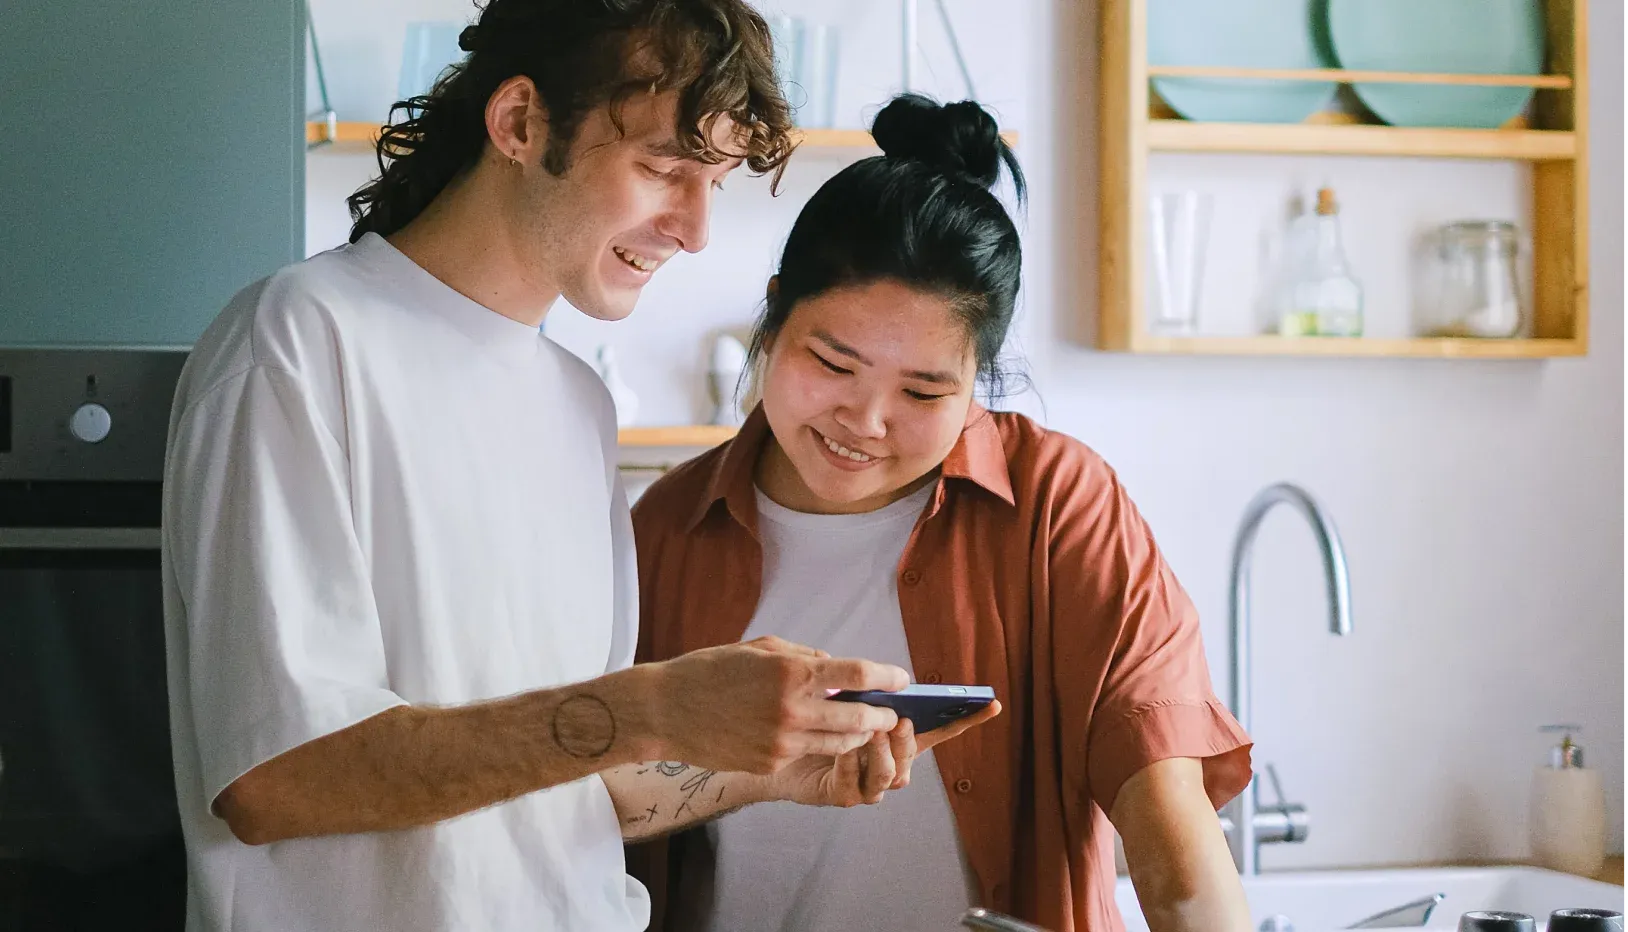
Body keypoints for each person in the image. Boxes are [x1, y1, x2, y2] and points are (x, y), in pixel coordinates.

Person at [161, 4, 990, 931]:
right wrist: (650, 707)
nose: (695, 229)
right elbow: (276, 778)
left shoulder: (577, 403)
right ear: (520, 122)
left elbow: (570, 782)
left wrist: (763, 770)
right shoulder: (299, 342)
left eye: (714, 182)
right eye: (664, 169)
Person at [626, 94, 1256, 932]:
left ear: (975, 383)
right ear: (773, 316)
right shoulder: (666, 529)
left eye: (924, 392)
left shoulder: (1058, 506)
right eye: (833, 364)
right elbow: (596, 808)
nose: (866, 421)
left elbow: (1166, 812)